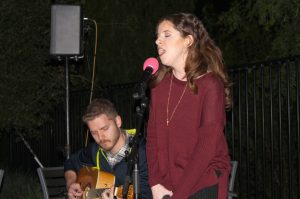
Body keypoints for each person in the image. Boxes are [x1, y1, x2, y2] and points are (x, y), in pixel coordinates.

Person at [146, 13, 232, 199]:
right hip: (167, 186)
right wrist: (155, 182)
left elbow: (206, 147)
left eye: (166, 35)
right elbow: (152, 138)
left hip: (204, 181)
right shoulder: (159, 87)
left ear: (188, 40)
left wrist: (180, 195)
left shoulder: (210, 84)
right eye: (157, 36)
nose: (158, 41)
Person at [64, 98, 152, 199]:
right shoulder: (94, 150)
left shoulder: (143, 152)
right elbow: (70, 162)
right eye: (94, 133)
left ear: (118, 121)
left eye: (104, 129)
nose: (100, 137)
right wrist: (71, 183)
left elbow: (147, 195)